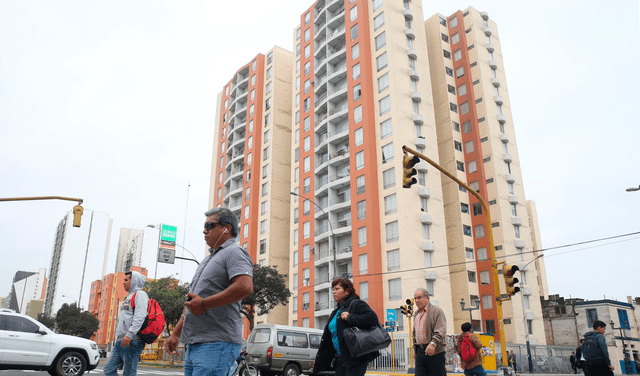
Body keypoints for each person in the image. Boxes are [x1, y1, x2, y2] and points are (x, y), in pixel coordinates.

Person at [165, 207, 254, 376]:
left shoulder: (234, 252)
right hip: (196, 343)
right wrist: (176, 333)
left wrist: (204, 304)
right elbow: (192, 303)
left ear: (226, 228)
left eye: (210, 225)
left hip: (217, 343)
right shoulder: (207, 260)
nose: (204, 231)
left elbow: (244, 286)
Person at [313, 278, 380, 376]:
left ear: (347, 291)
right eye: (333, 289)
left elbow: (372, 318)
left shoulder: (356, 304)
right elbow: (329, 338)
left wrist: (350, 317)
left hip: (356, 358)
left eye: (337, 289)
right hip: (341, 358)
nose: (333, 292)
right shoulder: (335, 312)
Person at [104, 271, 148, 376]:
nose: (123, 282)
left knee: (129, 373)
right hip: (121, 341)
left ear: (134, 281)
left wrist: (129, 334)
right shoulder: (128, 297)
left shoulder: (140, 294)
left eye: (126, 280)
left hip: (132, 341)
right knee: (108, 370)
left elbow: (140, 316)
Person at [413, 288, 447, 376]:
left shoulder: (437, 311)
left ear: (427, 298)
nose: (417, 301)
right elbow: (415, 333)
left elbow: (441, 329)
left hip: (434, 350)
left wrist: (433, 343)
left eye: (419, 298)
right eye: (415, 298)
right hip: (419, 350)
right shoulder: (416, 314)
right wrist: (415, 349)